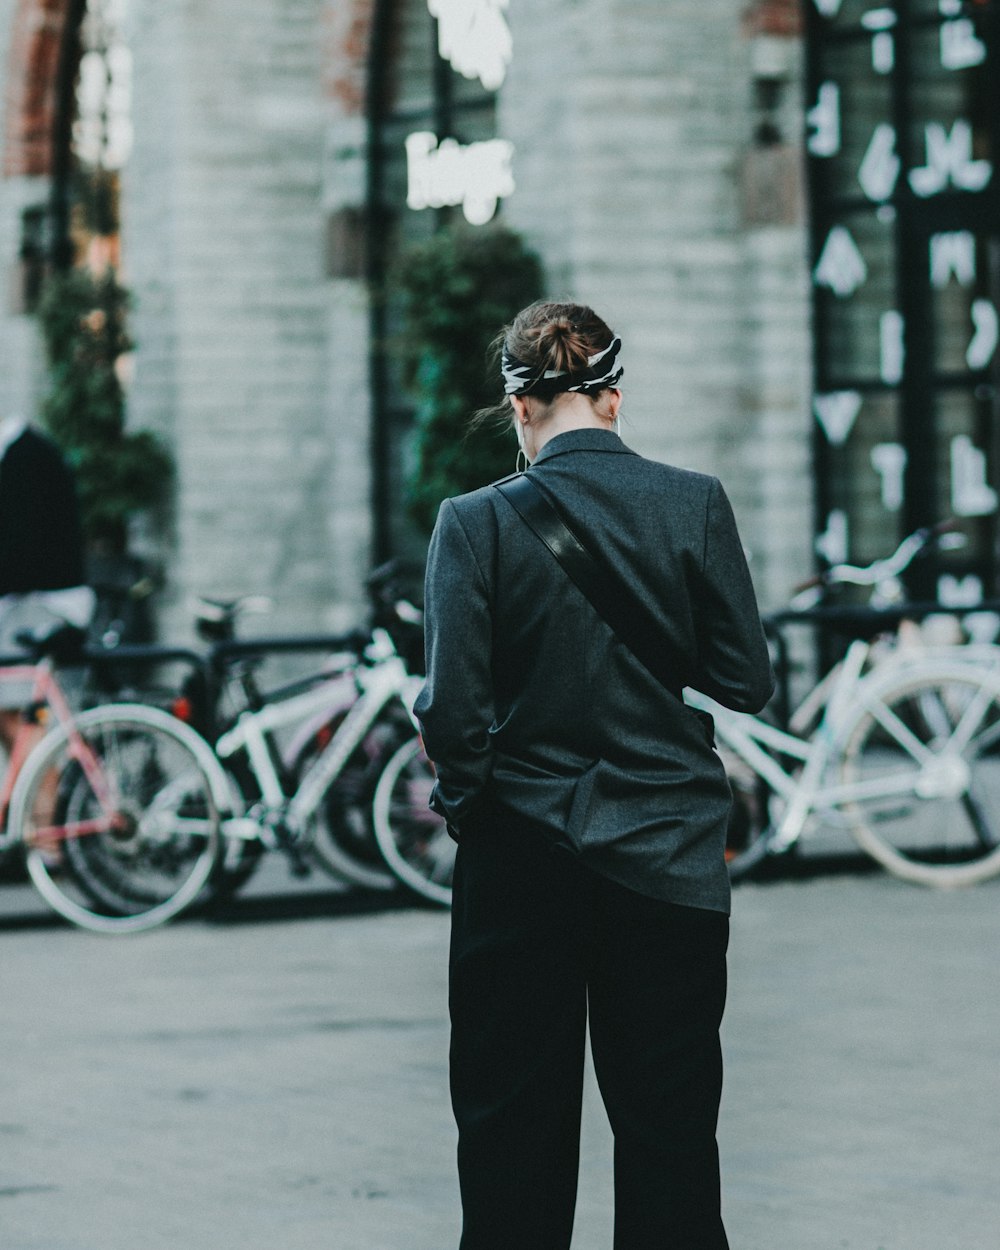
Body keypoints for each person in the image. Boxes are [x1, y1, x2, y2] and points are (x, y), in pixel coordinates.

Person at [414, 301, 775, 1249]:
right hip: (670, 857)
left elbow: (452, 712)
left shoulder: (473, 523)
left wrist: (473, 813)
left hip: (522, 859)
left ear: (518, 406)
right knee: (669, 1140)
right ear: (614, 396)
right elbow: (748, 679)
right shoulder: (692, 501)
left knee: (510, 1145)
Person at [0, 415, 94, 754]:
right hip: (27, 603)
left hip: (44, 605)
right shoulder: (17, 453)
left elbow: (22, 552)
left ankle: (37, 805)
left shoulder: (26, 457)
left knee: (20, 716)